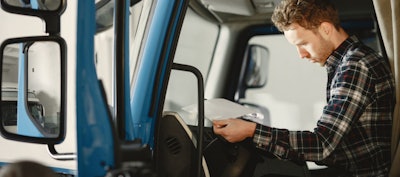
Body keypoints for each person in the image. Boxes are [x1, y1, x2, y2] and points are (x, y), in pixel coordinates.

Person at [213, 0, 396, 176]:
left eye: (303, 44)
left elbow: (322, 145)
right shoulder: (345, 64)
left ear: (326, 29)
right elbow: (334, 147)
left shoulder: (356, 65)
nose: (301, 54)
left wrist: (250, 130)